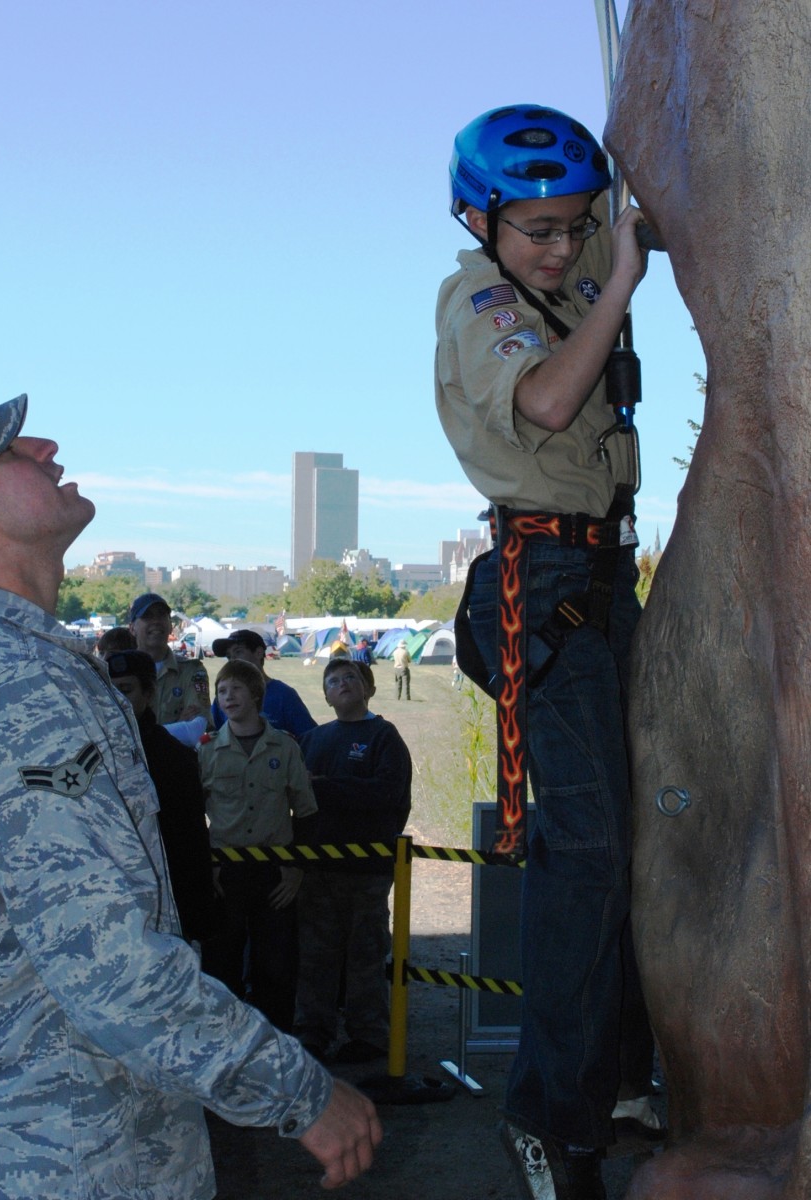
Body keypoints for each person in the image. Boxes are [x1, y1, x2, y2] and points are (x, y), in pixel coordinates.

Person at [0, 394, 381, 1200]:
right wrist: (300, 1091)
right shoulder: (10, 682)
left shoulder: (0, 660)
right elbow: (108, 962)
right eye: (8, 451)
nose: (44, 445)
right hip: (46, 1161)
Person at [435, 105, 658, 1199]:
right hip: (542, 583)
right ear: (480, 220)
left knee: (640, 838)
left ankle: (614, 1072)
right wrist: (617, 288)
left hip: (606, 573)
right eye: (535, 230)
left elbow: (628, 210)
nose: (561, 248)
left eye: (577, 226)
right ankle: (546, 1109)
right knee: (587, 850)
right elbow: (549, 396)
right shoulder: (482, 298)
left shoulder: (567, 275)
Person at [294, 658, 411, 1065]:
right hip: (318, 867)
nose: (342, 684)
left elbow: (386, 795)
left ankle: (369, 1036)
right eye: (333, 681)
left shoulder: (384, 737)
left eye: (350, 678)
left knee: (366, 954)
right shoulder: (312, 740)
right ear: (325, 696)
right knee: (315, 956)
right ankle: (312, 1033)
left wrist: (327, 788)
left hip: (368, 870)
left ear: (368, 688)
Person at [198, 658, 317, 1033]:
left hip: (274, 873)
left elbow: (307, 812)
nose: (227, 696)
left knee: (276, 965)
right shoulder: (208, 753)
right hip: (227, 873)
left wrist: (297, 870)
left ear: (256, 695)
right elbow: (194, 817)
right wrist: (210, 868)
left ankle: (277, 1042)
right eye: (221, 691)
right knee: (222, 964)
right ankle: (227, 1041)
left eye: (236, 689)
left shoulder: (284, 748)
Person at [105, 648, 216, 944]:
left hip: (164, 905)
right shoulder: (91, 755)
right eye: (108, 689)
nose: (115, 699)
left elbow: (190, 843)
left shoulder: (173, 759)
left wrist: (196, 915)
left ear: (149, 693)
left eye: (126, 690)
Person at [210, 629, 317, 739]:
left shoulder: (283, 695)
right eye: (228, 656)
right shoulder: (225, 697)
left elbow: (309, 738)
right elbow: (213, 735)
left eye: (238, 652)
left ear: (259, 653)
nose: (232, 660)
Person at [129, 593, 213, 727]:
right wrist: (178, 726)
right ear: (132, 628)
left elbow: (197, 725)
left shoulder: (191, 670)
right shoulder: (119, 672)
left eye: (161, 615)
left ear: (171, 626)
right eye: (147, 616)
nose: (156, 621)